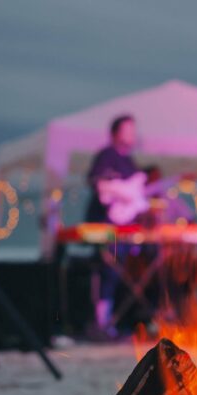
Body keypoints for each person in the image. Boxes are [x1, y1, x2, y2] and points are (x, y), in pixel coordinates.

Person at [84, 114, 139, 336]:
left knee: (118, 270)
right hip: (104, 224)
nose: (133, 135)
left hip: (123, 226)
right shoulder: (106, 156)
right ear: (115, 133)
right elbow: (97, 183)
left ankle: (110, 320)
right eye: (128, 130)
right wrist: (121, 192)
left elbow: (137, 192)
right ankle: (101, 322)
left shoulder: (130, 162)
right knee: (107, 269)